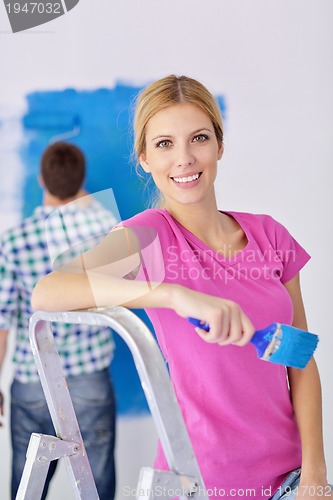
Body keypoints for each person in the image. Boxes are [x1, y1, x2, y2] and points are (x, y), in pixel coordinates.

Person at [31, 76, 332, 500]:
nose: (185, 159)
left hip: (291, 480)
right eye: (165, 144)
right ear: (144, 159)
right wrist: (171, 294)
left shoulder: (269, 236)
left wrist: (316, 476)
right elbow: (48, 291)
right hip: (202, 484)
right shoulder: (150, 237)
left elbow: (300, 364)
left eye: (199, 138)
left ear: (219, 146)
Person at [0, 142, 117, 500]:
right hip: (90, 376)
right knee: (97, 486)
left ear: (41, 180)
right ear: (82, 182)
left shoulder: (14, 241)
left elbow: (2, 322)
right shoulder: (107, 230)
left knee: (26, 487)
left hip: (32, 377)